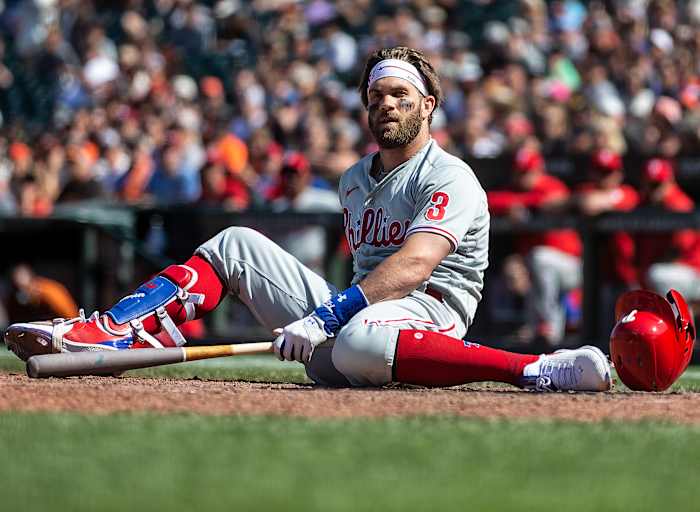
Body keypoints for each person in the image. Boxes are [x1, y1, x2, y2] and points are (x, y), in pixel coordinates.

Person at [4, 47, 611, 392]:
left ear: (427, 105)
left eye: (400, 96)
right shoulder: (353, 180)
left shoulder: (449, 174)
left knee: (359, 338)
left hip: (428, 318)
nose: (386, 106)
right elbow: (360, 286)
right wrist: (329, 317)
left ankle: (531, 368)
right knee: (236, 241)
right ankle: (116, 328)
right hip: (349, 330)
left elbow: (416, 265)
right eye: (376, 98)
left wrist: (326, 316)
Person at [487, 146, 583, 347]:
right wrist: (513, 205)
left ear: (539, 169)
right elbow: (489, 199)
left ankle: (547, 328)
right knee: (523, 264)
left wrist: (521, 206)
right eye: (519, 172)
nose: (523, 177)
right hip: (537, 267)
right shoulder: (513, 191)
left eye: (527, 172)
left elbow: (551, 201)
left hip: (571, 266)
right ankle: (533, 331)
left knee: (540, 258)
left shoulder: (551, 185)